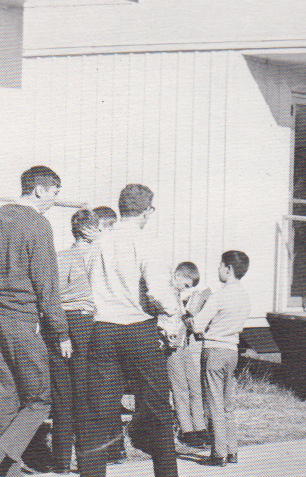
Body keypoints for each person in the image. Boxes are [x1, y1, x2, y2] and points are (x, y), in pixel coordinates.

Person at [77, 184, 180, 477]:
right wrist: (172, 315)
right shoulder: (147, 241)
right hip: (138, 330)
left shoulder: (97, 243)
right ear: (147, 211)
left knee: (96, 412)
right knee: (158, 409)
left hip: (102, 330)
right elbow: (159, 291)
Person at [0, 166, 71, 477]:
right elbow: (47, 284)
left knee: (7, 397)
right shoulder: (38, 224)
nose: (54, 201)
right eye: (55, 193)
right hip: (22, 320)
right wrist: (60, 331)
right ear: (40, 190)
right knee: (41, 398)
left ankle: (9, 472)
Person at [42, 209, 101, 473]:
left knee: (61, 396)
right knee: (84, 394)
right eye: (101, 228)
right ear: (89, 230)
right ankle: (88, 462)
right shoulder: (98, 255)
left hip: (56, 324)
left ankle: (62, 462)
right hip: (83, 322)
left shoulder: (59, 257)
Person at [191, 251, 252, 467]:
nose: (218, 269)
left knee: (214, 404)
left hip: (214, 350)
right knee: (227, 404)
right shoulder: (244, 296)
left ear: (228, 268)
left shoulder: (219, 295)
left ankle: (218, 454)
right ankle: (232, 450)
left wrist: (191, 318)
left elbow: (198, 325)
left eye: (220, 265)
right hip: (232, 351)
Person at [167, 261, 210, 448]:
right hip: (171, 347)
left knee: (195, 385)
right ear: (177, 275)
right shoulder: (166, 293)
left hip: (183, 345)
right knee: (181, 388)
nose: (186, 289)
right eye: (186, 285)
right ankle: (187, 429)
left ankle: (199, 426)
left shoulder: (177, 294)